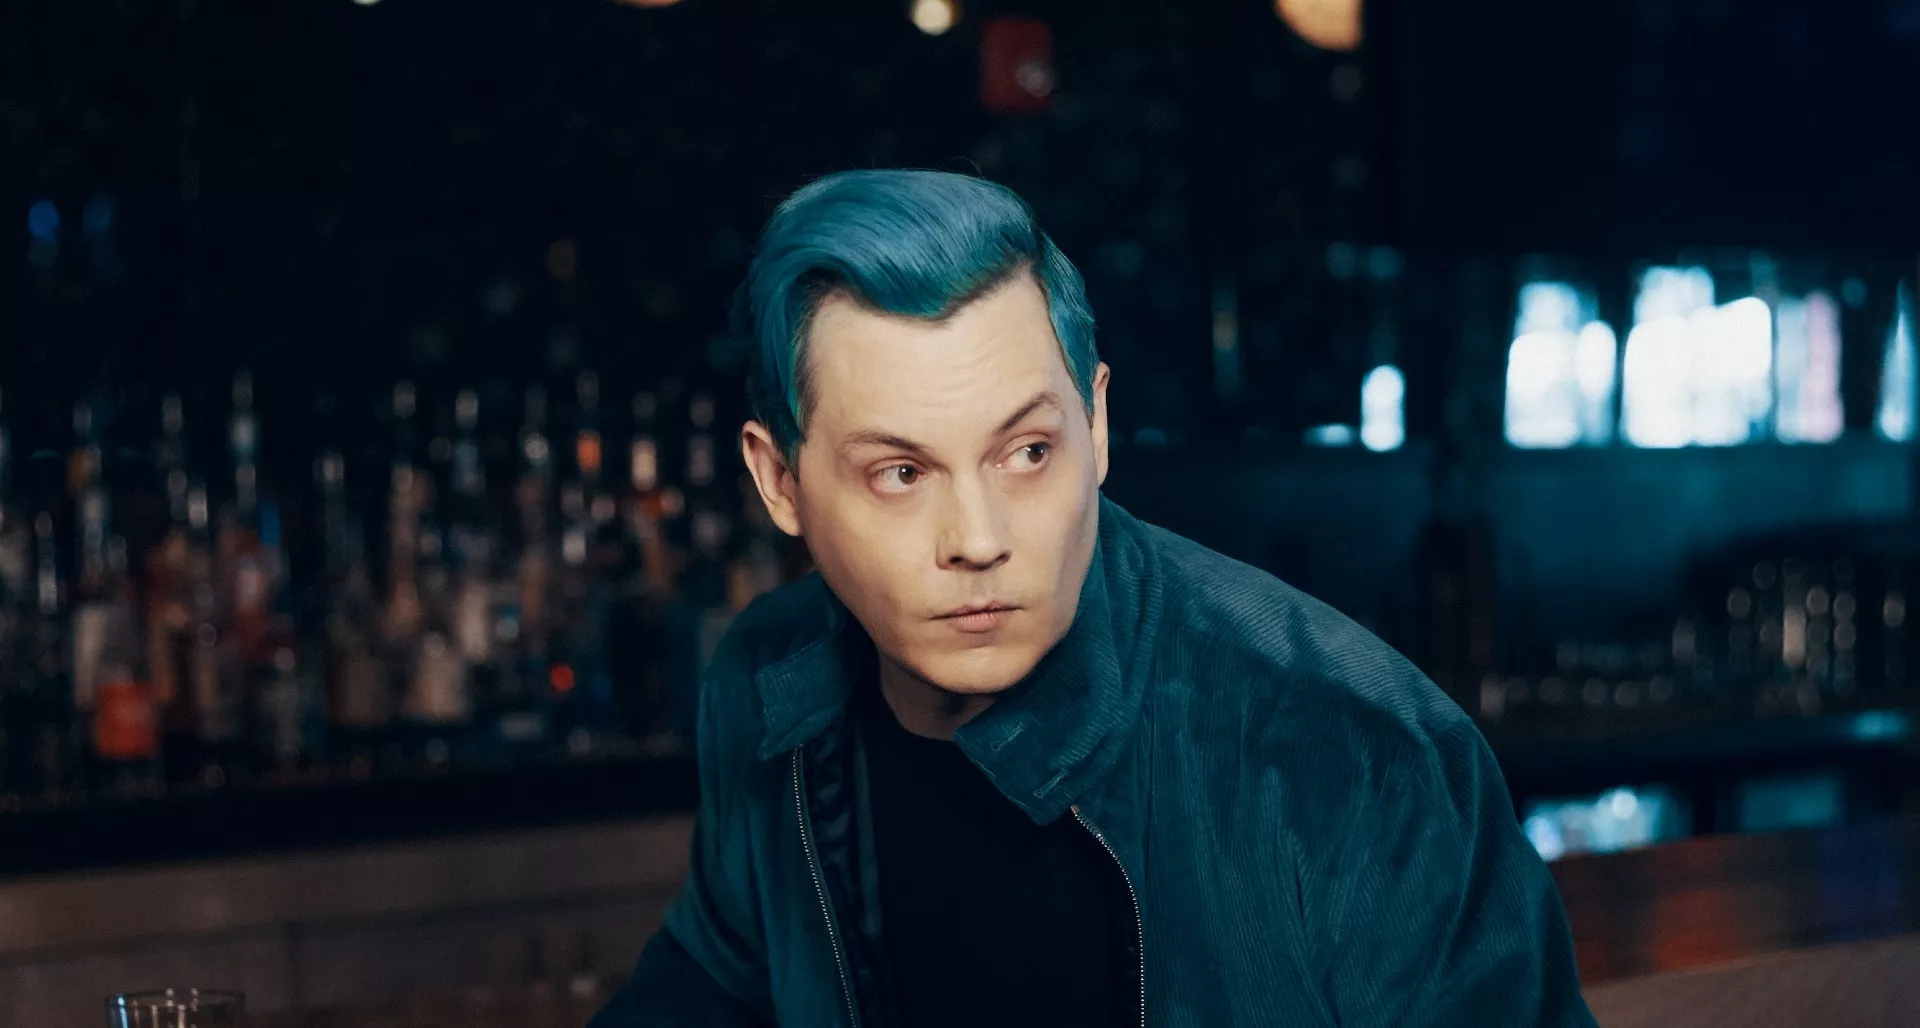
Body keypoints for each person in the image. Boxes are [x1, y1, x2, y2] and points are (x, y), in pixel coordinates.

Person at [589, 169, 1596, 1027]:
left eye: (1028, 451)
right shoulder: (768, 682)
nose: (979, 538)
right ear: (779, 483)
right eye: (900, 473)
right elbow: (708, 985)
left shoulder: (1358, 750)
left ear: (1097, 423)